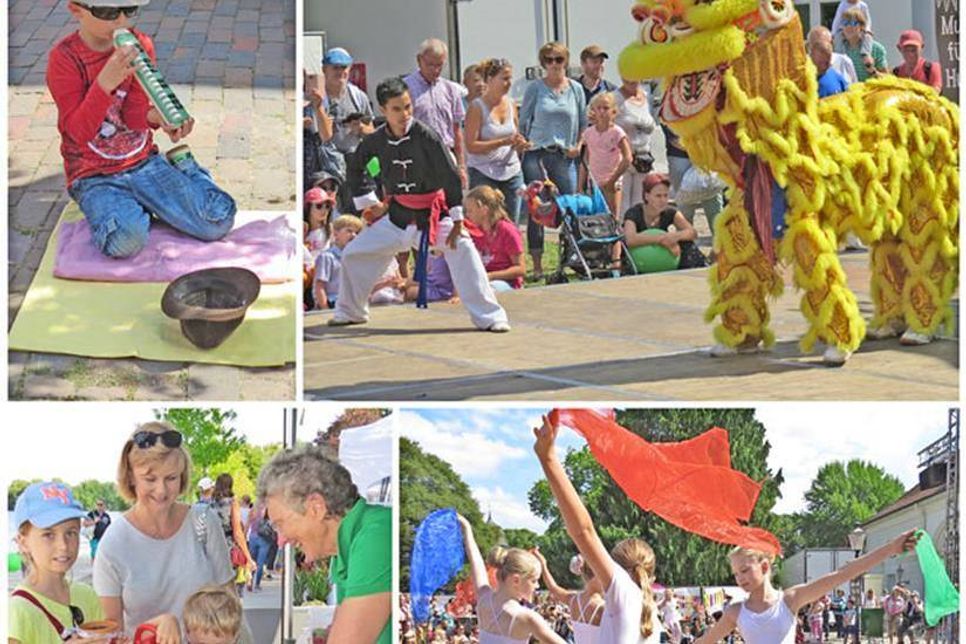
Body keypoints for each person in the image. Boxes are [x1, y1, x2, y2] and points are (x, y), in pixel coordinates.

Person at [49, 0, 236, 259]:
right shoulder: (65, 59)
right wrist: (104, 83)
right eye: (108, 12)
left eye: (130, 11)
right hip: (94, 175)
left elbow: (132, 115)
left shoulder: (140, 45)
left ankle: (187, 171)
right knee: (123, 242)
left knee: (218, 221)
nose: (121, 22)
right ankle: (140, 205)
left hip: (143, 163)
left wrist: (157, 117)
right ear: (76, 9)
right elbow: (77, 133)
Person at [331, 76, 510, 332]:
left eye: (408, 107)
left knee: (464, 250)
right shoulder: (375, 141)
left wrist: (458, 219)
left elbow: (450, 176)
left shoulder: (427, 136)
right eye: (396, 109)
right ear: (383, 110)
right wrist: (370, 203)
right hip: (396, 218)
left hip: (433, 218)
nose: (404, 114)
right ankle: (351, 311)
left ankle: (490, 316)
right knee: (353, 253)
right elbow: (357, 169)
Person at [92, 422, 253, 641]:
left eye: (171, 478)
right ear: (130, 476)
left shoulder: (204, 522)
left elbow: (231, 609)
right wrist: (160, 624)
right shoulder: (113, 544)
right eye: (150, 479)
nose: (161, 490)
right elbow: (113, 636)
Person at [533, 415, 664, 643]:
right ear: (652, 575)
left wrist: (548, 459)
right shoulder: (650, 614)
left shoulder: (623, 593)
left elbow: (584, 531)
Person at [257, 444, 392, 644]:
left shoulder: (376, 536)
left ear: (316, 508)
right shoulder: (345, 548)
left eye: (281, 524)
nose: (281, 540)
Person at [693, 531, 920, 643]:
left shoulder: (790, 599)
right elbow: (705, 642)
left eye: (744, 570)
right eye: (735, 574)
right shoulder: (735, 611)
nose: (739, 578)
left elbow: (844, 574)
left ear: (764, 566)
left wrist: (891, 548)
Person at [520, 42, 587, 279]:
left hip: (564, 155)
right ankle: (537, 263)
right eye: (549, 60)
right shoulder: (535, 88)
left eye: (559, 59)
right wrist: (524, 142)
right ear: (543, 63)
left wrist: (578, 146)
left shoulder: (576, 89)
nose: (554, 64)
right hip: (537, 153)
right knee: (537, 209)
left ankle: (571, 256)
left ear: (566, 61)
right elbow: (524, 120)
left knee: (570, 207)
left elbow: (582, 123)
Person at [9, 482, 106, 643]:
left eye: (71, 532)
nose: (63, 545)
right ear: (23, 542)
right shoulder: (17, 611)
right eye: (48, 534)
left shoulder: (86, 595)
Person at [456, 516, 568, 644]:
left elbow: (476, 562)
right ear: (516, 580)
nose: (537, 586)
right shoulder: (527, 617)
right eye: (534, 581)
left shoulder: (483, 599)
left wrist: (467, 529)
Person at [465, 58, 528, 225]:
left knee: (511, 225)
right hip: (484, 172)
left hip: (511, 171)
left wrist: (519, 143)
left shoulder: (511, 104)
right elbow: (471, 146)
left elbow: (515, 134)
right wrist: (502, 142)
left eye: (510, 78)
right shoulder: (476, 107)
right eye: (504, 78)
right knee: (486, 224)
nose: (509, 83)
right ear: (490, 79)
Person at [404, 38, 468, 188]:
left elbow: (456, 130)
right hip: (417, 155)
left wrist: (461, 165)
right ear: (419, 60)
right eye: (430, 65)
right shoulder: (406, 88)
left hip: (446, 153)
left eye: (439, 65)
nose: (435, 70)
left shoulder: (451, 89)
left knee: (451, 204)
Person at [580, 91, 631, 269]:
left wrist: (613, 179)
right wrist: (581, 185)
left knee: (613, 221)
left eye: (606, 108)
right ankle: (599, 257)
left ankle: (616, 259)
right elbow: (584, 160)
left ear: (614, 112)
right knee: (595, 221)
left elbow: (627, 158)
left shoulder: (617, 132)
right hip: (593, 182)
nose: (602, 112)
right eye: (598, 108)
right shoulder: (588, 133)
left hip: (611, 183)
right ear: (593, 111)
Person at [623, 173, 704, 270]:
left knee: (687, 244)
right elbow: (630, 239)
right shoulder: (633, 213)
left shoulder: (670, 212)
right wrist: (661, 239)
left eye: (665, 196)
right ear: (647, 196)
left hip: (665, 257)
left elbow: (692, 232)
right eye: (658, 196)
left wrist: (674, 237)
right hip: (641, 259)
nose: (663, 200)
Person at [531, 549, 604, 644]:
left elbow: (553, 588)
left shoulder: (574, 600)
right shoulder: (603, 607)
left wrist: (544, 565)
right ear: (597, 577)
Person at [464, 185, 526, 291]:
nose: (467, 215)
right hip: (482, 280)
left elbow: (521, 269)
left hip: (507, 283)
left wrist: (491, 276)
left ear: (484, 210)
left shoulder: (507, 231)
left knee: (486, 290)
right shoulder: (473, 231)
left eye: (470, 211)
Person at [613, 77, 656, 215]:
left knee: (641, 202)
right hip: (623, 157)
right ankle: (623, 233)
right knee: (623, 203)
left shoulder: (647, 96)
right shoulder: (615, 97)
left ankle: (636, 233)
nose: (631, 80)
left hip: (643, 157)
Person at [211, 473, 256, 597]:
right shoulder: (232, 502)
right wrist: (248, 557)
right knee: (232, 592)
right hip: (228, 550)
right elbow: (237, 532)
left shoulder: (210, 504)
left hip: (211, 549)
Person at [314, 214, 363, 310]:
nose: (354, 235)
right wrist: (325, 309)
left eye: (356, 232)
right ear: (336, 233)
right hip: (334, 301)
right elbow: (319, 286)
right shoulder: (327, 257)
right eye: (349, 231)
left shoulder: (354, 258)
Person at [836, 8, 887, 82]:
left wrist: (872, 71)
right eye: (845, 23)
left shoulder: (877, 49)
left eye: (853, 23)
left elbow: (887, 78)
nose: (848, 27)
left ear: (862, 26)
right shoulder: (837, 51)